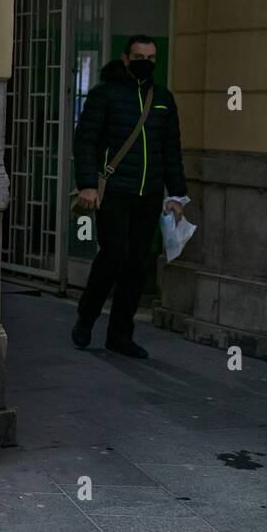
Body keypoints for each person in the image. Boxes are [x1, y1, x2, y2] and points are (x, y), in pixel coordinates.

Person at [71, 34, 189, 359]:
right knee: (113, 256)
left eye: (151, 59)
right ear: (125, 59)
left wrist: (177, 195)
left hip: (148, 195)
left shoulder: (163, 99)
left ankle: (120, 335)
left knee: (137, 264)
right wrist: (87, 184)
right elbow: (85, 143)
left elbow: (171, 151)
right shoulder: (104, 95)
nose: (145, 64)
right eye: (139, 57)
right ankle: (87, 316)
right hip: (114, 192)